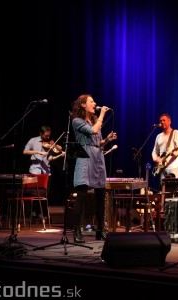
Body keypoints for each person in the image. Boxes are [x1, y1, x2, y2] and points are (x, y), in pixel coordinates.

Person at [70, 94, 117, 243]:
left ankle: (100, 230)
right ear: (83, 105)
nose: (95, 104)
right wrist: (102, 114)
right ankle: (76, 231)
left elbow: (98, 141)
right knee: (82, 195)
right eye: (92, 101)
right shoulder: (77, 121)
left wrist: (107, 140)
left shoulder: (95, 121)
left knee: (100, 195)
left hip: (98, 157)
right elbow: (93, 132)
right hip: (85, 156)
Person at [151, 113, 178, 179]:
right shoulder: (158, 136)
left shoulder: (176, 133)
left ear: (169, 121)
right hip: (162, 168)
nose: (162, 122)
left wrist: (175, 153)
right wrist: (155, 158)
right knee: (163, 188)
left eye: (164, 120)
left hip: (173, 167)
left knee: (172, 188)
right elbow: (154, 151)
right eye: (160, 121)